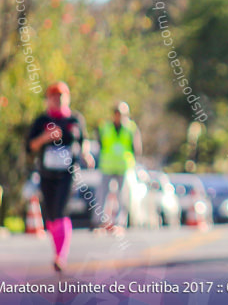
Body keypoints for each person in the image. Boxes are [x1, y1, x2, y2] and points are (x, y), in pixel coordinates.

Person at [26, 82, 93, 272]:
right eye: (54, 96)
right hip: (47, 173)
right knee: (51, 213)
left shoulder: (75, 119)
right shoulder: (41, 121)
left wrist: (86, 154)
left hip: (68, 173)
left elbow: (83, 140)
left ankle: (60, 255)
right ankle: (57, 250)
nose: (58, 99)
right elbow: (30, 146)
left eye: (62, 96)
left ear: (67, 98)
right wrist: (45, 138)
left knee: (61, 209)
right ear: (48, 99)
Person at [96, 102, 142, 234]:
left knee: (123, 196)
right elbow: (100, 143)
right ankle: (102, 222)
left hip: (124, 166)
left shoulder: (131, 128)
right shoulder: (105, 127)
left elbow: (136, 147)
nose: (119, 116)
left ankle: (120, 223)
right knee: (103, 195)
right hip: (108, 165)